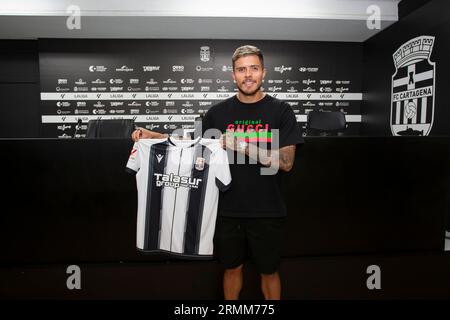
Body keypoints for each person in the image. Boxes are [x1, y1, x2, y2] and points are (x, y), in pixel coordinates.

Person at [131, 45, 303, 300]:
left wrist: (241, 145)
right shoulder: (218, 113)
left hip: (267, 210)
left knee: (269, 271)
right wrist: (154, 136)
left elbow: (287, 161)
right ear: (233, 75)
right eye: (241, 70)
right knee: (231, 269)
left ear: (263, 73)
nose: (248, 75)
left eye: (253, 68)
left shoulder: (280, 111)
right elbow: (190, 145)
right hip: (225, 209)